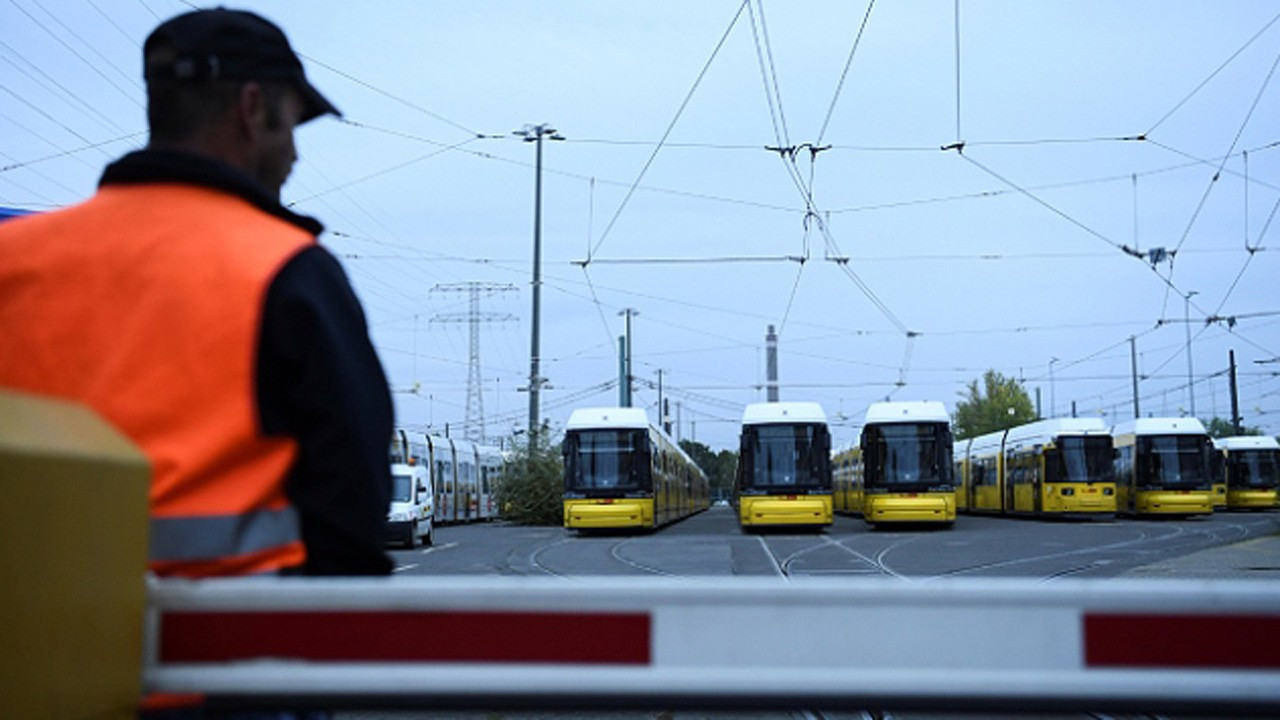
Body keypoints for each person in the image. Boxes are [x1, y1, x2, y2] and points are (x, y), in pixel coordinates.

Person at [0, 8, 393, 579]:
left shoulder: (13, 256)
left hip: (25, 620)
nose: (294, 154)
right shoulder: (287, 270)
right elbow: (352, 512)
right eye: (290, 125)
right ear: (251, 108)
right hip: (234, 626)